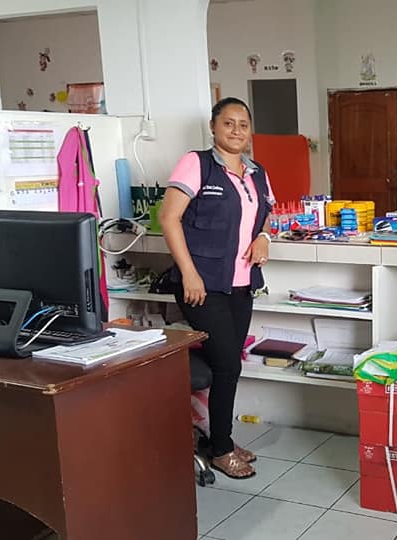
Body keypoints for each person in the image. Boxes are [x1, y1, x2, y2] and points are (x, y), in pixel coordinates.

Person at [159, 97, 275, 479]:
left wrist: (263, 237)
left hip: (242, 284)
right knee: (226, 364)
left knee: (229, 365)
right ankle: (221, 449)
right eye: (228, 123)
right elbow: (169, 218)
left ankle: (217, 437)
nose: (236, 130)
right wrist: (189, 273)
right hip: (202, 286)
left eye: (243, 124)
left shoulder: (257, 172)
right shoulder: (197, 164)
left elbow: (266, 214)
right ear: (213, 126)